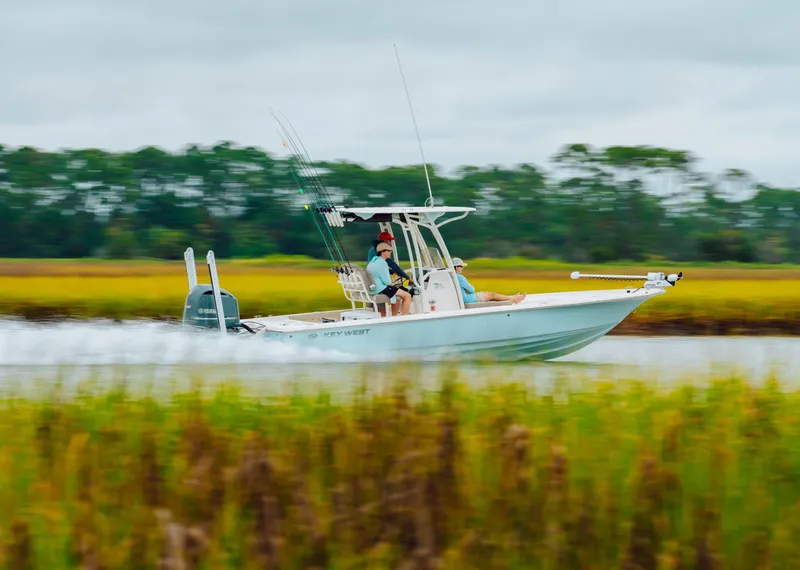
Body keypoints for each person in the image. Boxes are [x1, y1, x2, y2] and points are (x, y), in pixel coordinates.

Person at [452, 257, 526, 305]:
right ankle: (514, 299)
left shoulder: (450, 277)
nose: (462, 268)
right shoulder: (459, 277)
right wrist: (467, 290)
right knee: (492, 295)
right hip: (468, 299)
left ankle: (512, 298)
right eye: (460, 266)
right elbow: (472, 289)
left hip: (464, 298)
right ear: (456, 267)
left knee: (488, 295)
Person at [367, 243, 412, 316]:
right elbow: (387, 282)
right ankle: (405, 317)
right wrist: (394, 284)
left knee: (397, 294)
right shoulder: (382, 262)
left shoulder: (373, 261)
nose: (390, 252)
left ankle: (390, 317)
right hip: (381, 289)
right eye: (389, 251)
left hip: (374, 289)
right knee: (407, 295)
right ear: (382, 252)